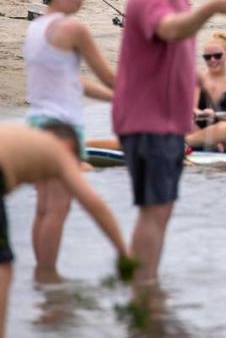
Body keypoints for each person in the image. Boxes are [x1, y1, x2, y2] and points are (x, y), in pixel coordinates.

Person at [112, 0, 226, 283]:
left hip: (171, 123)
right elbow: (169, 30)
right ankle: (143, 287)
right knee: (153, 209)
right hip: (143, 121)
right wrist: (212, 7)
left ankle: (148, 287)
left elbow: (178, 49)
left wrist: (199, 80)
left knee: (163, 209)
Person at [23, 0, 115, 275]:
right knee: (58, 207)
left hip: (36, 125)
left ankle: (42, 277)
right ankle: (48, 277)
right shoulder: (74, 29)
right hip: (62, 128)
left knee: (44, 207)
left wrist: (115, 99)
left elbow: (72, 81)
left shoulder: (35, 27)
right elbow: (108, 76)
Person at [0, 124, 130, 338]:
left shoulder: (28, 140)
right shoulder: (58, 151)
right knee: (3, 265)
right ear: (71, 145)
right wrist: (123, 253)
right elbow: (94, 204)